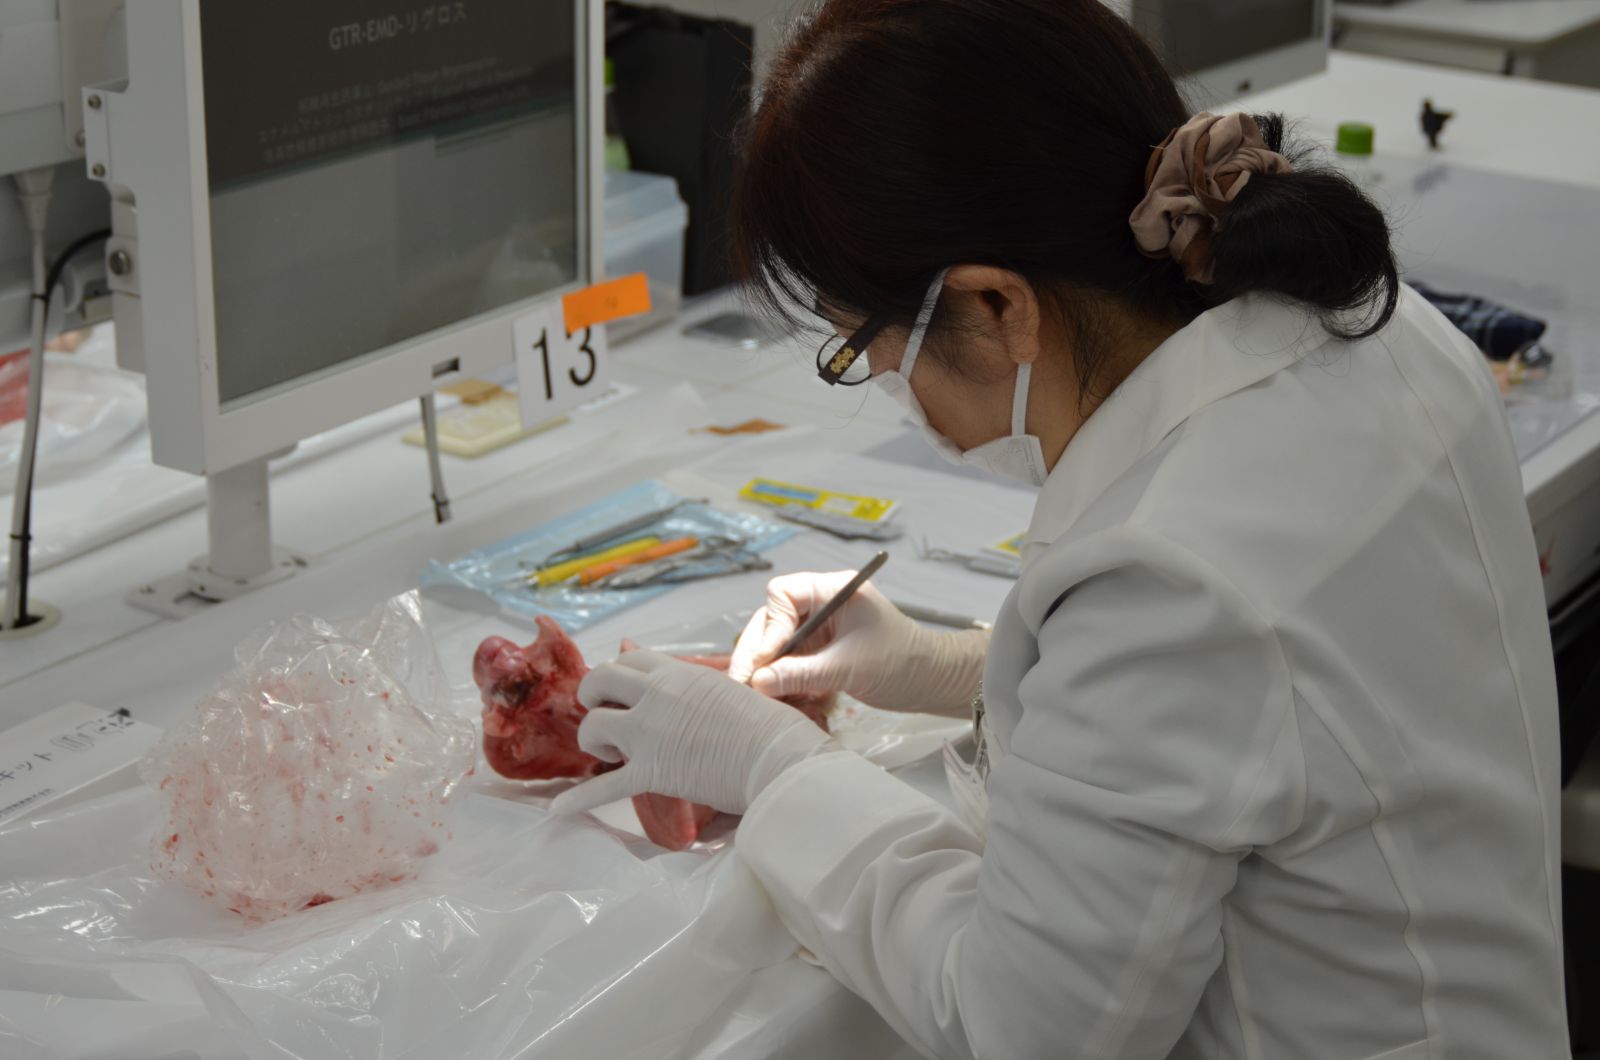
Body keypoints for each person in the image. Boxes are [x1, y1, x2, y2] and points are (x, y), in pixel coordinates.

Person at [552, 1, 1569, 1055]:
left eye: (863, 343)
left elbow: (1019, 1026)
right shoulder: (1381, 327)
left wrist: (774, 773)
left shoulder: (1168, 571)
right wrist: (950, 666)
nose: (885, 381)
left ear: (998, 305)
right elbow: (1277, 713)